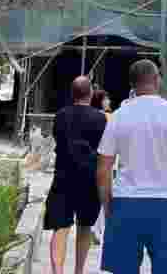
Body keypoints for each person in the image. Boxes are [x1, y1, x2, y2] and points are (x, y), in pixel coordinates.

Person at [97, 60, 167, 274]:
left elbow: (103, 168)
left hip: (125, 202)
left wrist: (107, 204)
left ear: (132, 84)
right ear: (157, 79)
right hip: (166, 204)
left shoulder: (118, 116)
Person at [44, 76, 108, 274]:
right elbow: (103, 151)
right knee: (85, 227)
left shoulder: (60, 116)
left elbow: (58, 140)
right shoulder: (100, 119)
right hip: (89, 180)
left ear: (72, 94)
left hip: (63, 178)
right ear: (91, 94)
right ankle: (78, 271)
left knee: (60, 228)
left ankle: (58, 272)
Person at [89, 89, 112, 244]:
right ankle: (98, 229)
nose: (108, 101)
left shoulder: (88, 115)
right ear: (100, 101)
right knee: (104, 196)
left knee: (94, 195)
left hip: (91, 160)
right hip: (106, 160)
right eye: (106, 99)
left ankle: (94, 227)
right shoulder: (108, 117)